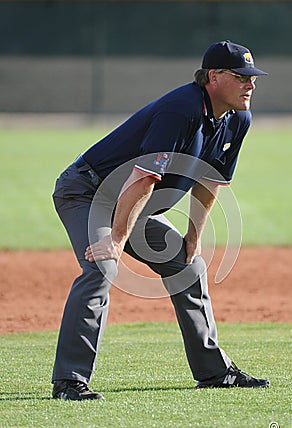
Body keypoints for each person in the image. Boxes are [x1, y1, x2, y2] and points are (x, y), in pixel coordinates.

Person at [51, 40, 270, 401]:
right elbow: (143, 177)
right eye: (240, 76)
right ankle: (69, 382)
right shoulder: (181, 110)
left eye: (253, 77)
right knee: (102, 266)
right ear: (213, 77)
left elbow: (210, 180)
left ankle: (214, 373)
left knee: (189, 266)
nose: (251, 84)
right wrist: (117, 240)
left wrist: (192, 238)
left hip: (132, 203)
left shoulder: (237, 119)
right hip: (86, 191)